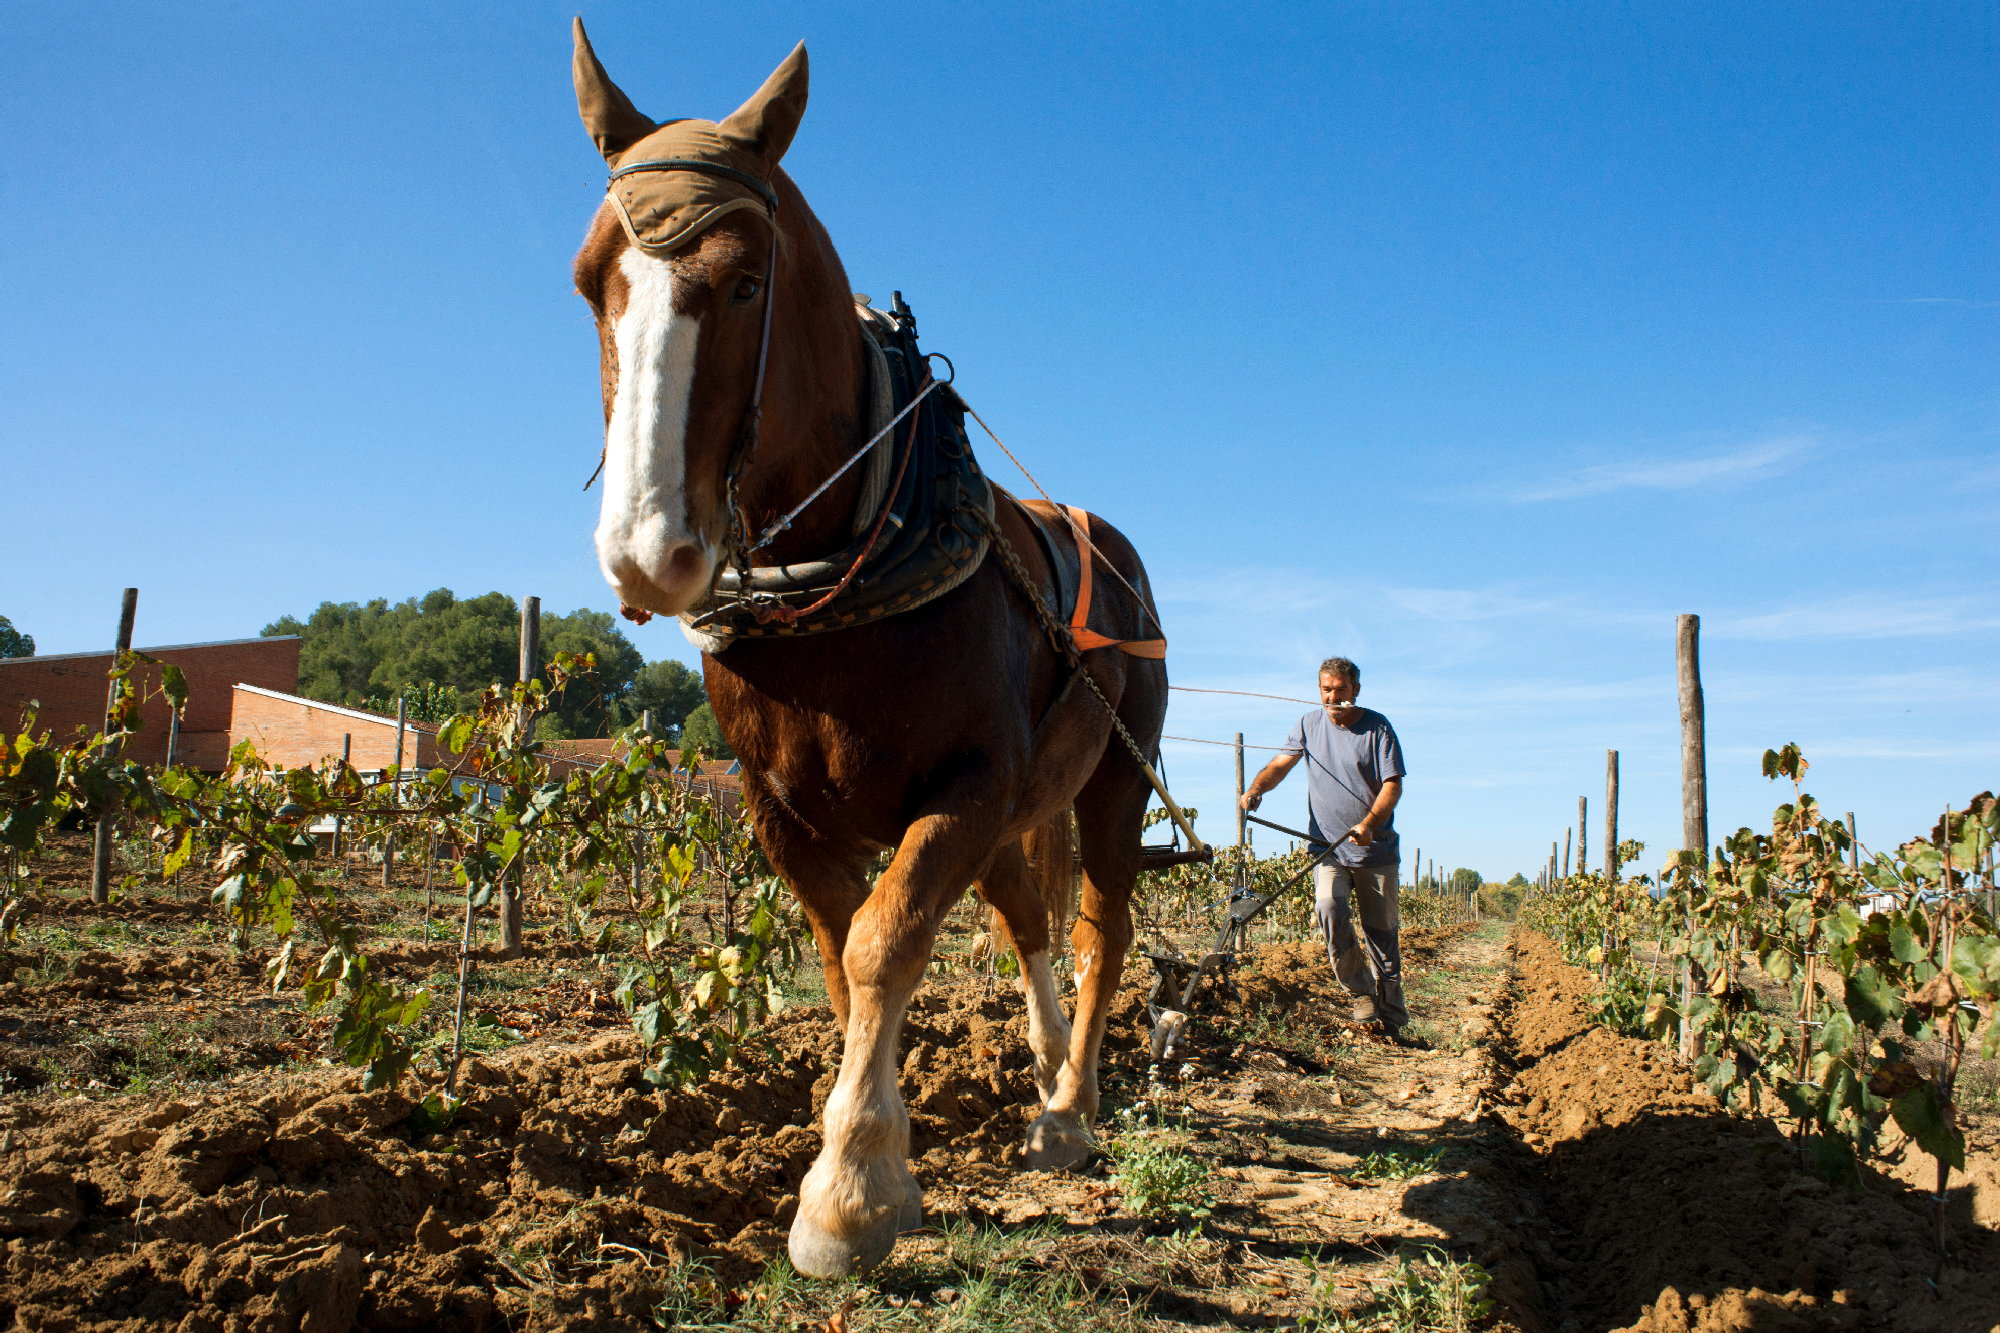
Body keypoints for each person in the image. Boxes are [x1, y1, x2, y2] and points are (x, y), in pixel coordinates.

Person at [1238, 657, 1409, 1033]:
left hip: (1374, 850)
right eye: (1326, 690)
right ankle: (1360, 994)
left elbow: (1393, 784)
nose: (1333, 697)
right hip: (1326, 848)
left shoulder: (1378, 727)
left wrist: (1368, 824)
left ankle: (1393, 1014)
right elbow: (1281, 764)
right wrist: (1256, 788)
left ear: (1356, 690)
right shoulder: (1308, 724)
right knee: (1329, 910)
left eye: (1341, 690)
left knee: (1381, 933)